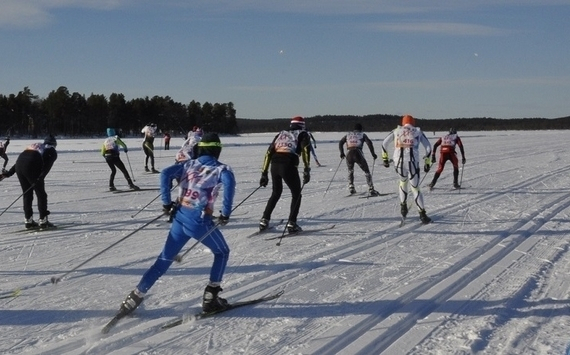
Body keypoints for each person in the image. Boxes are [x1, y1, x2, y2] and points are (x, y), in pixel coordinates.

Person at [116, 132, 236, 316]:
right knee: (222, 252)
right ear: (217, 151)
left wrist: (166, 202)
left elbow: (165, 173)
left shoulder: (188, 164)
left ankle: (135, 297)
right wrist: (226, 214)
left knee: (163, 260)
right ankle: (211, 298)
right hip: (200, 222)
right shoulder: (222, 170)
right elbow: (229, 187)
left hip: (180, 218)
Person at [258, 116, 311, 233]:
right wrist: (307, 169)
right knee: (296, 194)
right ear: (302, 125)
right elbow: (306, 150)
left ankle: (264, 219)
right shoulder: (302, 134)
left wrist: (264, 173)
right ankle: (292, 223)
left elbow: (268, 153)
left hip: (274, 165)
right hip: (288, 165)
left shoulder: (281, 134)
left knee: (276, 192)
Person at [381, 115, 432, 224]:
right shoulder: (417, 131)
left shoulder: (396, 131)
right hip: (412, 162)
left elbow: (384, 143)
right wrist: (427, 161)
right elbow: (428, 147)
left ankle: (403, 206)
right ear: (413, 122)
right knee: (415, 188)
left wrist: (385, 158)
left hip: (398, 162)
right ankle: (422, 214)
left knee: (403, 182)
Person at [0, 135, 58, 229]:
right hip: (31, 166)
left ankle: (28, 220)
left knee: (27, 193)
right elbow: (47, 165)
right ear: (54, 144)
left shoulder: (35, 146)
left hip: (20, 166)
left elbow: (22, 161)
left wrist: (9, 173)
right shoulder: (51, 150)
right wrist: (40, 177)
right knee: (41, 194)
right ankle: (43, 220)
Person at [338, 123, 379, 195]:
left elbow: (341, 142)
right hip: (358, 153)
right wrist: (373, 154)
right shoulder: (362, 134)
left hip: (349, 154)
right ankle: (371, 188)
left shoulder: (348, 135)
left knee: (350, 170)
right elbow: (369, 143)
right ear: (361, 129)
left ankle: (351, 187)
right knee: (366, 171)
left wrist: (342, 153)